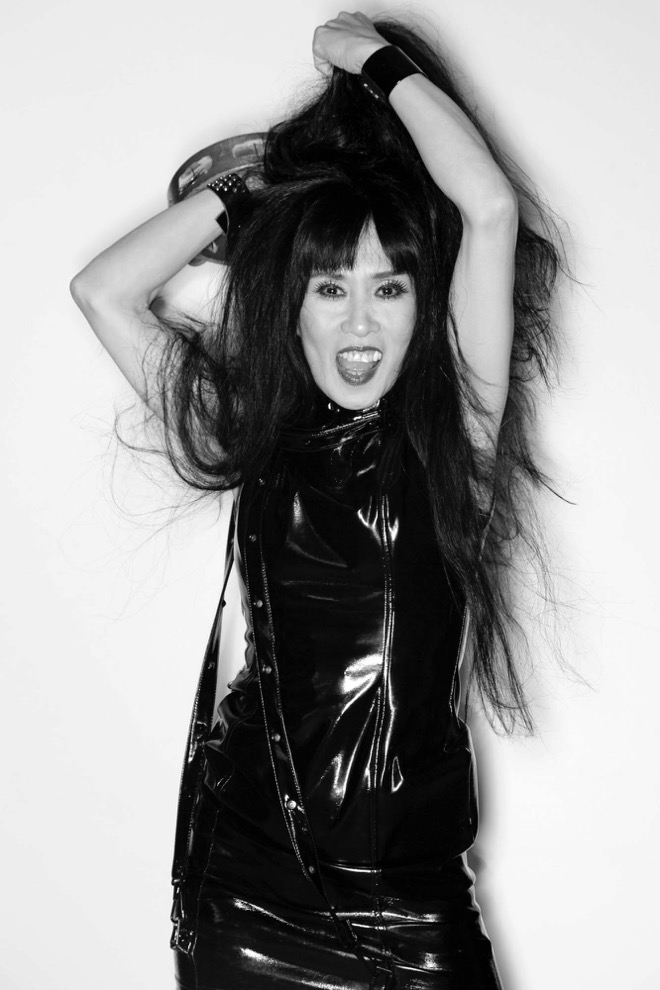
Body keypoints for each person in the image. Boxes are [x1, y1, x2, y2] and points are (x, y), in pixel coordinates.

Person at [70, 11, 565, 989]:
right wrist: (257, 182)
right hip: (250, 895)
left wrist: (370, 62)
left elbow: (488, 208)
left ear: (426, 305)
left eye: (391, 288)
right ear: (290, 304)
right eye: (330, 288)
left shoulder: (455, 436)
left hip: (416, 906)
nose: (360, 322)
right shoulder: (252, 436)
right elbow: (104, 292)